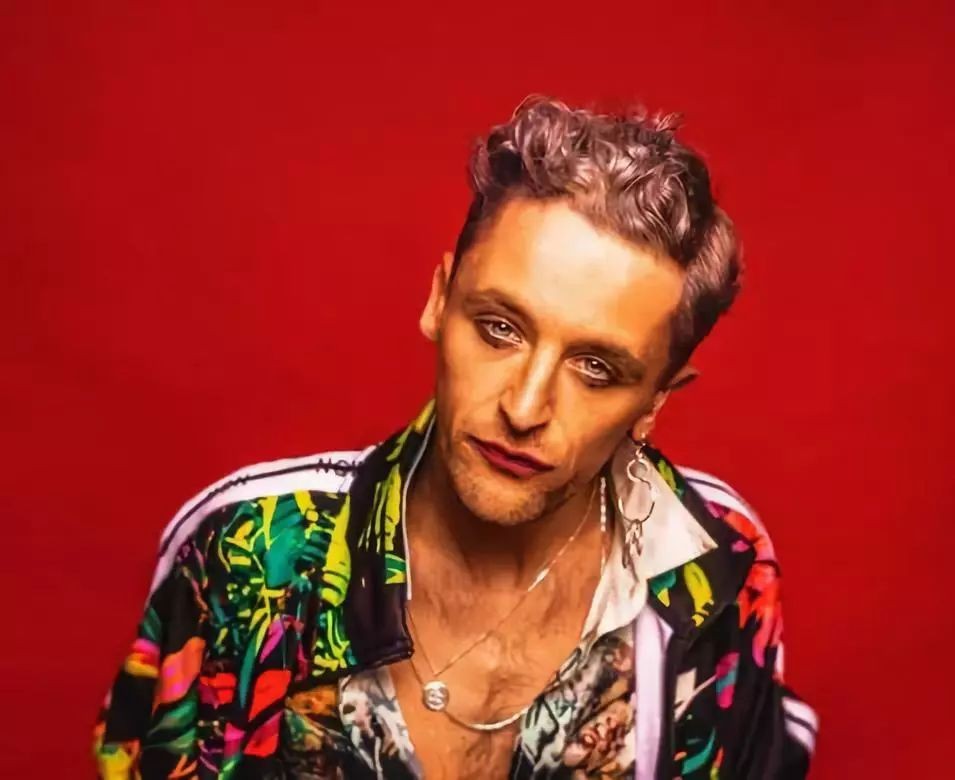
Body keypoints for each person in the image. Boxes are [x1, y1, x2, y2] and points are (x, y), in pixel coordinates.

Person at [94, 97, 817, 779]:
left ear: (655, 399)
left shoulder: (719, 559)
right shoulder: (248, 548)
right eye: (500, 328)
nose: (525, 408)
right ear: (440, 301)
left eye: (596, 368)